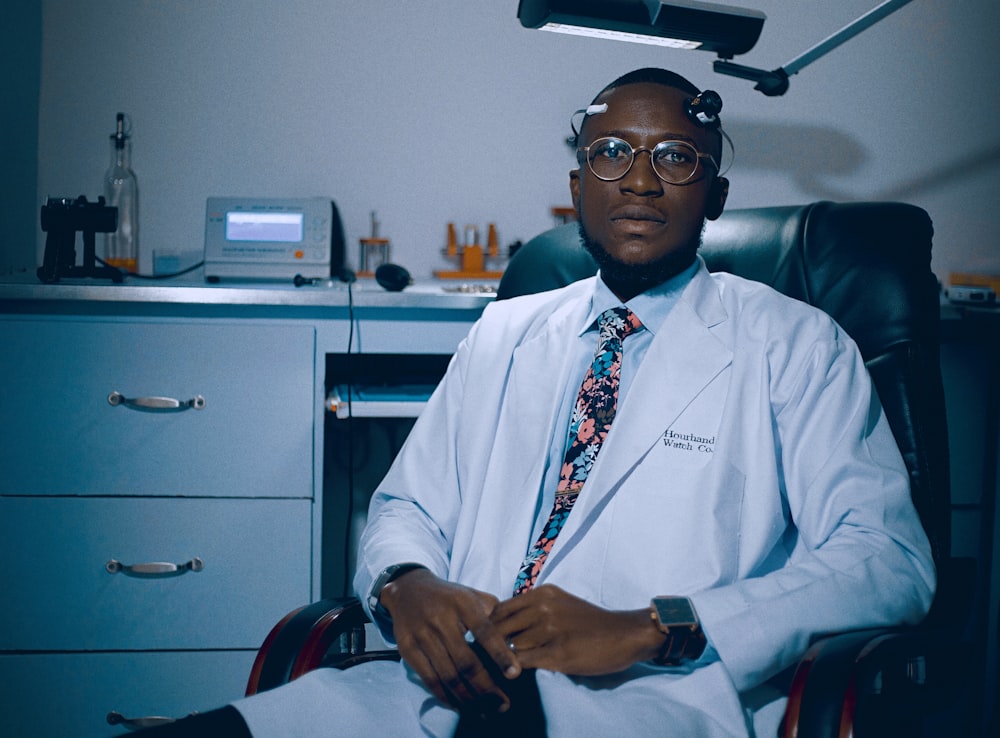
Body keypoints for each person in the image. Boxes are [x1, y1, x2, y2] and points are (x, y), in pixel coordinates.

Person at [136, 67, 936, 737]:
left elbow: (888, 560)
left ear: (716, 196)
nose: (642, 180)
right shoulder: (504, 332)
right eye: (613, 152)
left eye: (678, 159)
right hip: (435, 694)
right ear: (577, 185)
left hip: (642, 703)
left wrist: (653, 626)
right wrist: (404, 583)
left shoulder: (795, 345)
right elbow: (409, 504)